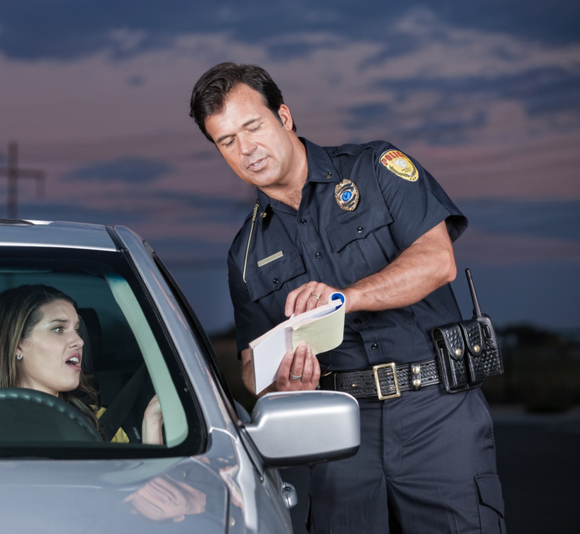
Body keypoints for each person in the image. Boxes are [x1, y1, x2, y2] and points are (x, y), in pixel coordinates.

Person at [189, 63, 505, 533]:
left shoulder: (377, 169)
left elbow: (438, 261)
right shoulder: (247, 252)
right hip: (339, 435)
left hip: (436, 415)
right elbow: (252, 366)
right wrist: (281, 386)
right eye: (226, 141)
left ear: (285, 116)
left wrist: (347, 298)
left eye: (251, 127)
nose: (246, 150)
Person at [0, 284, 164, 445]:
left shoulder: (101, 424)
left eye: (77, 330)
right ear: (17, 345)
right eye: (58, 329)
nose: (79, 341)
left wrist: (152, 424)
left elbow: (138, 503)